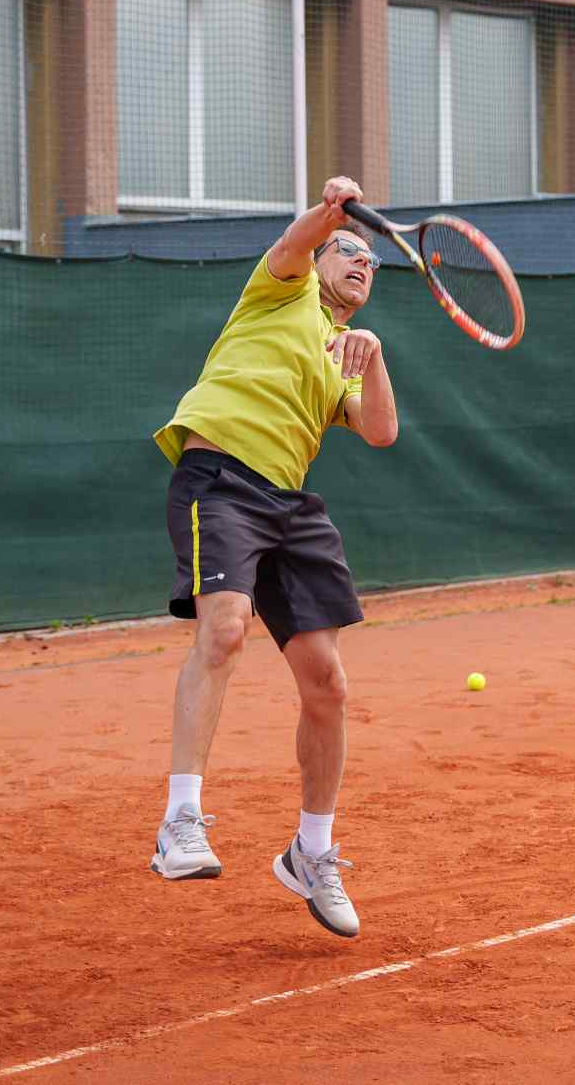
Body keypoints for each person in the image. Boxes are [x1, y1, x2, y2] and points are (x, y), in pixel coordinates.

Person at [148, 175, 397, 940]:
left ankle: (311, 853)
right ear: (319, 261)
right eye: (347, 250)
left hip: (290, 505)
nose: (361, 262)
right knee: (225, 629)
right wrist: (330, 208)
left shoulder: (342, 350)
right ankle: (180, 820)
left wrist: (373, 358)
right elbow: (295, 241)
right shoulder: (281, 290)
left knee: (328, 682)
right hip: (220, 479)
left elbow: (381, 431)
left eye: (370, 261)